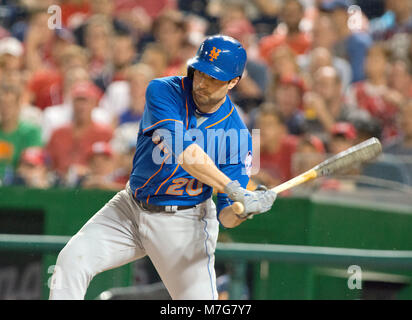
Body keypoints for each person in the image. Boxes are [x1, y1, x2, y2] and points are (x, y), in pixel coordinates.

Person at [49, 35, 277, 300]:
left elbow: (227, 214)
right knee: (71, 262)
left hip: (184, 222)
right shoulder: (164, 90)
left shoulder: (237, 134)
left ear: (234, 82)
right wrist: (233, 188)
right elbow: (183, 152)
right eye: (200, 72)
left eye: (214, 78)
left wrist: (244, 208)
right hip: (131, 207)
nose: (202, 83)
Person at [0, 83, 43, 185]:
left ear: (18, 105)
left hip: (20, 186)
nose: (5, 109)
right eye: (1, 104)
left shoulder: (31, 132)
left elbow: (32, 164)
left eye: (9, 104)